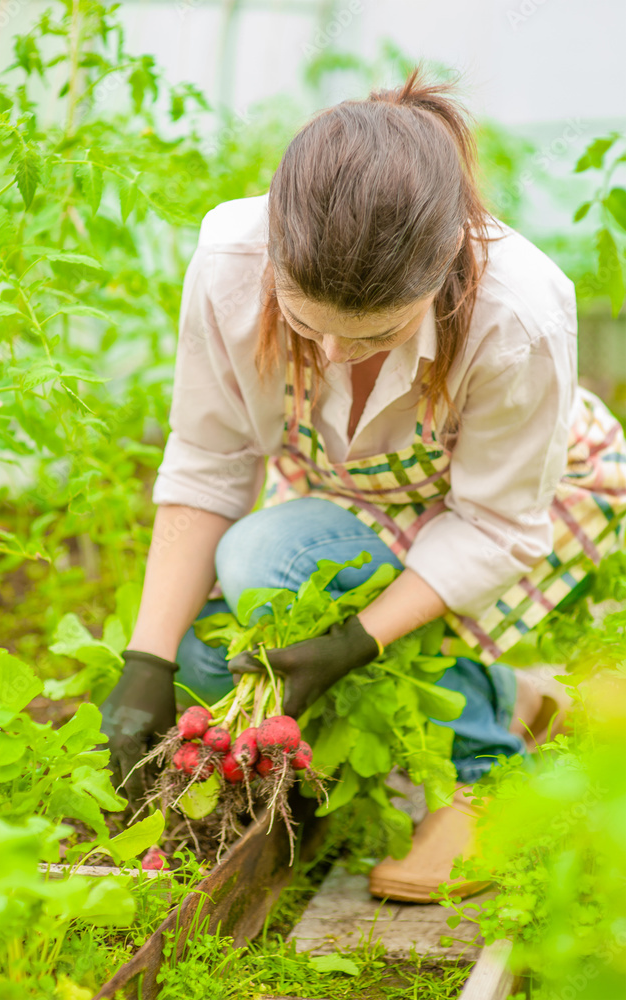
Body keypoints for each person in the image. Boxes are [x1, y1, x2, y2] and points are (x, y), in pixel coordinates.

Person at [100, 70, 626, 901]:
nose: (337, 358)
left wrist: (354, 642)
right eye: (308, 324)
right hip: (359, 500)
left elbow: (493, 523)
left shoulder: (517, 313)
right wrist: (145, 660)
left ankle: (480, 773)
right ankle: (513, 694)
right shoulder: (230, 262)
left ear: (450, 262)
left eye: (377, 333)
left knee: (265, 560)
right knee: (209, 664)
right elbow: (210, 459)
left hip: (528, 499)